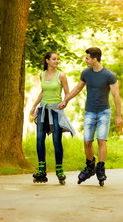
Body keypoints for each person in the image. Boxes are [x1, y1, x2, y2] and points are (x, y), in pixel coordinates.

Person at [58, 47, 122, 186]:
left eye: (87, 58)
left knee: (101, 141)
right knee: (87, 142)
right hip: (89, 112)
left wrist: (118, 115)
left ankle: (100, 168)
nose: (85, 60)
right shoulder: (86, 73)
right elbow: (77, 89)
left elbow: (116, 95)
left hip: (104, 112)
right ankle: (90, 166)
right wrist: (65, 100)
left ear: (94, 59)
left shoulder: (109, 75)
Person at [30, 51, 76, 185]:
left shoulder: (61, 76)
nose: (56, 61)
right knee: (39, 139)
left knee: (56, 141)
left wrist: (64, 102)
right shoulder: (42, 75)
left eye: (57, 59)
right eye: (54, 59)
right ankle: (41, 170)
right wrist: (34, 106)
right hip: (43, 110)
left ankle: (59, 170)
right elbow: (43, 92)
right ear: (47, 61)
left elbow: (67, 94)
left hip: (56, 111)